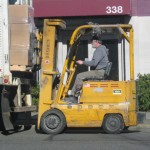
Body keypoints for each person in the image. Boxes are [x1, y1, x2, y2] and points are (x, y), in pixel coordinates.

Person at [66, 35, 109, 103]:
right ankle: (77, 95)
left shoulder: (99, 50)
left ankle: (73, 97)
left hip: (99, 72)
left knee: (79, 76)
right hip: (100, 71)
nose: (91, 43)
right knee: (84, 76)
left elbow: (94, 63)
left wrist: (82, 62)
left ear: (96, 41)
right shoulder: (102, 49)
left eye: (92, 42)